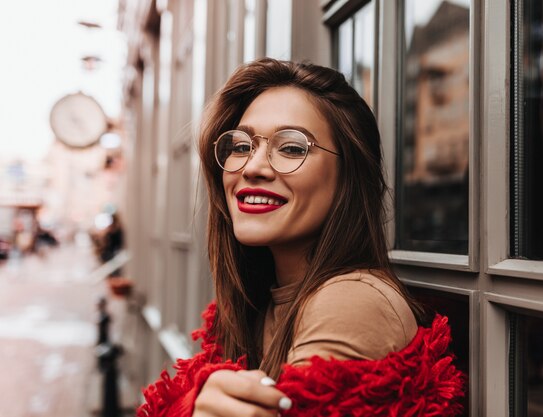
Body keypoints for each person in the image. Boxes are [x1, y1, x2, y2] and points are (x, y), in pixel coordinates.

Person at [139, 58, 464, 417]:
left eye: (292, 147)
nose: (252, 167)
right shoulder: (256, 302)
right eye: (241, 146)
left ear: (349, 176)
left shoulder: (351, 301)